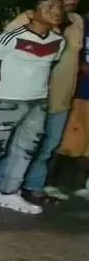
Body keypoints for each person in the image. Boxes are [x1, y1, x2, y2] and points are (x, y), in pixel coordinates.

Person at [0, 0, 67, 214]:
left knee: (26, 148)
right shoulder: (11, 37)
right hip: (7, 100)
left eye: (59, 7)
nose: (56, 12)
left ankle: (8, 193)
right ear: (31, 13)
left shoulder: (58, 41)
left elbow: (47, 67)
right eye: (49, 7)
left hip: (37, 103)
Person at [0, 0, 83, 203]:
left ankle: (33, 185)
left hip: (61, 98)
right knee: (20, 145)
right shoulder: (27, 19)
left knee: (48, 146)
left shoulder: (76, 22)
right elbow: (1, 52)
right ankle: (4, 187)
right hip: (30, 96)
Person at [53, 29, 89, 198]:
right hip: (81, 94)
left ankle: (81, 184)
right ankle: (56, 183)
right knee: (69, 143)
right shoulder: (80, 26)